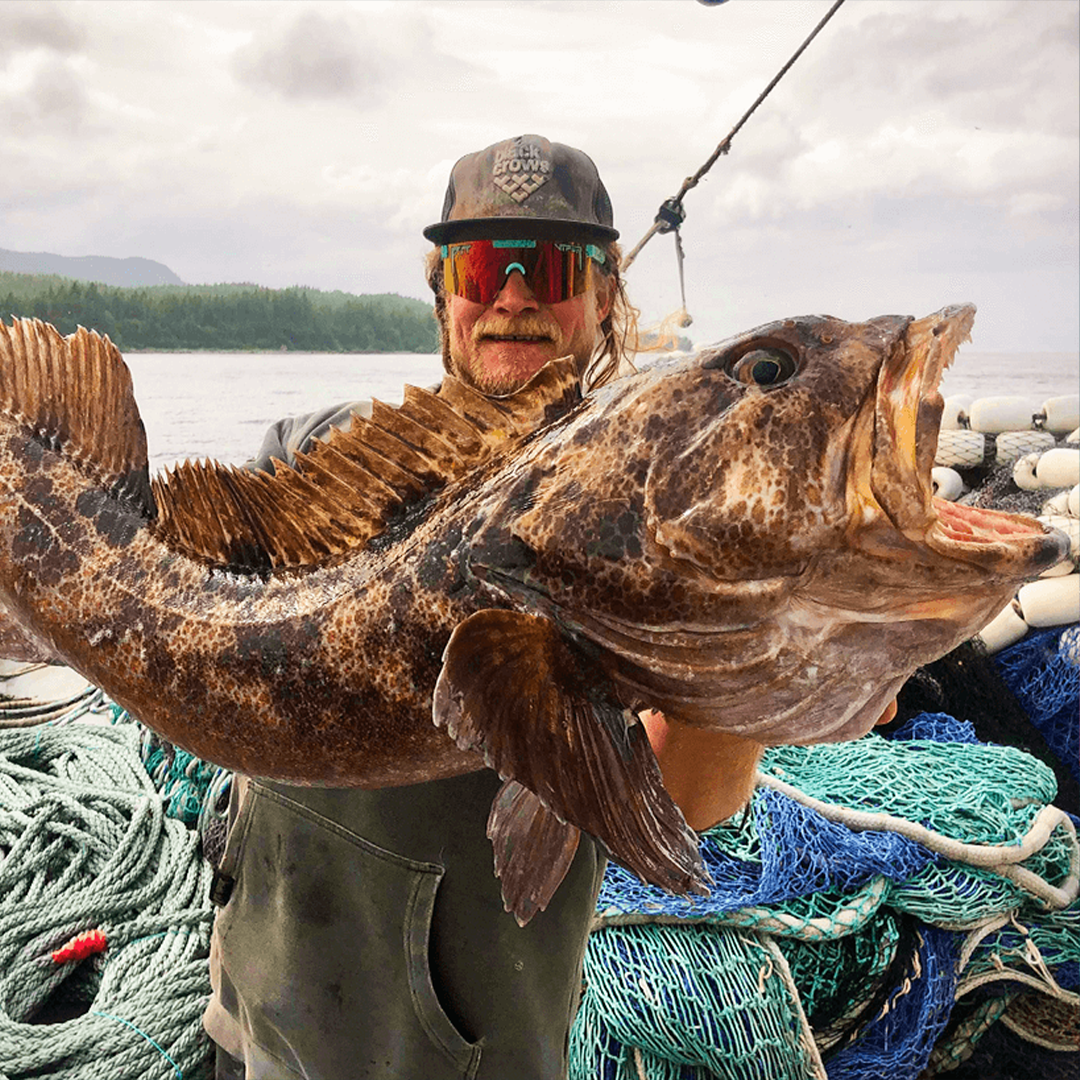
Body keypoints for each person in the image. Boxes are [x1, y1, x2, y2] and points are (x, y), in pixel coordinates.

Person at [203, 134, 641, 1080]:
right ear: (442, 288)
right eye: (483, 265)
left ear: (603, 298)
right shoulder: (305, 449)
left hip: (460, 1057)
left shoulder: (634, 517)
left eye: (553, 266)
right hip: (253, 1020)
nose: (514, 297)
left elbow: (688, 798)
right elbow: (185, 586)